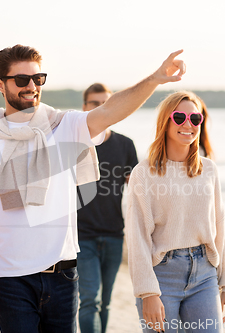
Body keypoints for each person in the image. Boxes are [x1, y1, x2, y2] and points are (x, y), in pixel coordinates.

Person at [0, 44, 186, 333]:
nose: (32, 86)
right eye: (22, 80)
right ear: (0, 84)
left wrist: (154, 79)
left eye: (38, 78)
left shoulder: (64, 125)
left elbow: (112, 110)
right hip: (11, 278)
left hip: (64, 277)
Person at [126, 91, 225, 333]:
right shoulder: (144, 172)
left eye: (195, 119)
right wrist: (148, 292)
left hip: (205, 276)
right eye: (179, 117)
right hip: (161, 276)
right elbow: (137, 236)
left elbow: (219, 226)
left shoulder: (209, 170)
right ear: (165, 121)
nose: (188, 124)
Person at [76, 83, 138, 333]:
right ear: (84, 108)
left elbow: (139, 191)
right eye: (95, 104)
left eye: (107, 103)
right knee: (90, 300)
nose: (102, 109)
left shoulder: (125, 145)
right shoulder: (75, 144)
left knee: (106, 303)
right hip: (82, 236)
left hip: (114, 235)